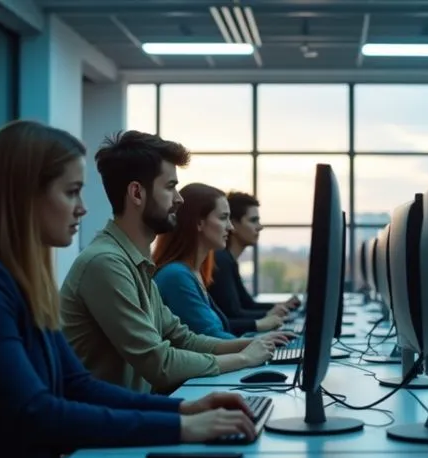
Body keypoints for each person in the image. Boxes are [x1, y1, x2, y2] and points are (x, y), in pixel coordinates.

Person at [0, 121, 258, 458]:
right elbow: (36, 413)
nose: (83, 208)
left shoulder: (19, 282)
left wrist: (183, 409)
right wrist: (181, 426)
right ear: (24, 195)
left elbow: (77, 386)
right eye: (71, 192)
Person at [60, 131, 286, 394]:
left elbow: (183, 339)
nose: (179, 199)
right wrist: (244, 358)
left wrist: (251, 345)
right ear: (137, 193)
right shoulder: (106, 263)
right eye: (170, 187)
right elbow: (159, 363)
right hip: (111, 418)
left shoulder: (135, 263)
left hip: (136, 411)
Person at [153, 183, 286, 339]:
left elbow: (219, 334)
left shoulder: (193, 272)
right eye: (223, 218)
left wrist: (260, 339)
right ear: (199, 223)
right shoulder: (176, 276)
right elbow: (212, 339)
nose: (230, 227)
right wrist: (258, 341)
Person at [208, 191, 300, 322]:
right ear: (233, 224)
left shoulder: (228, 259)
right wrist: (269, 315)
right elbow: (233, 314)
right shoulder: (222, 260)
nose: (260, 227)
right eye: (253, 220)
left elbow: (247, 305)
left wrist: (281, 307)